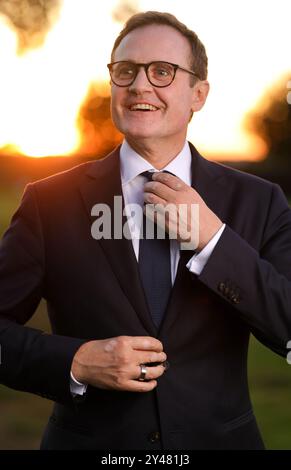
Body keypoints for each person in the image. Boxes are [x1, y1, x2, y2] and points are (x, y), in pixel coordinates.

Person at [0, 10, 291, 451]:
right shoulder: (48, 202)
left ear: (198, 94)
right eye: (126, 71)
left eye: (162, 71)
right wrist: (73, 362)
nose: (139, 85)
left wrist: (214, 241)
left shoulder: (260, 202)